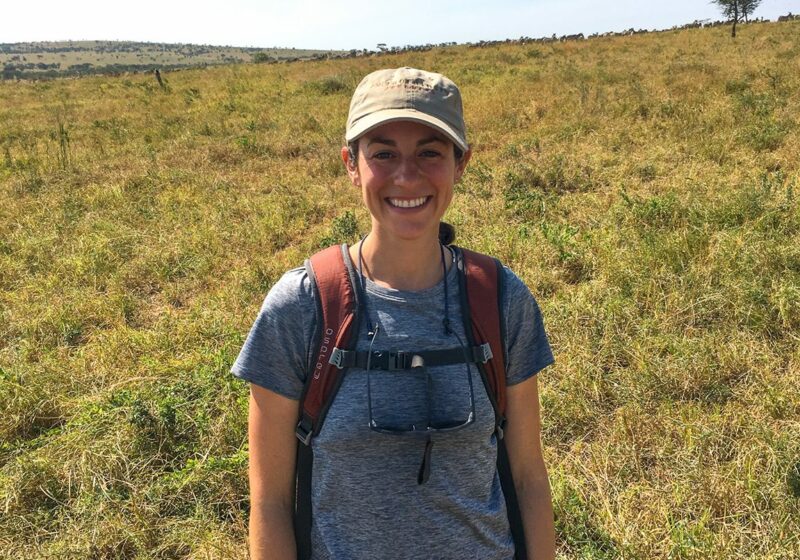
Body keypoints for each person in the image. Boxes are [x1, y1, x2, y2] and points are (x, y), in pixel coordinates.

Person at [232, 67, 556, 560]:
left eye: (430, 151)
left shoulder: (500, 299)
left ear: (461, 163)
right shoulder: (302, 306)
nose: (407, 176)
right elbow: (270, 501)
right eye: (383, 153)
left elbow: (528, 476)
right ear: (350, 164)